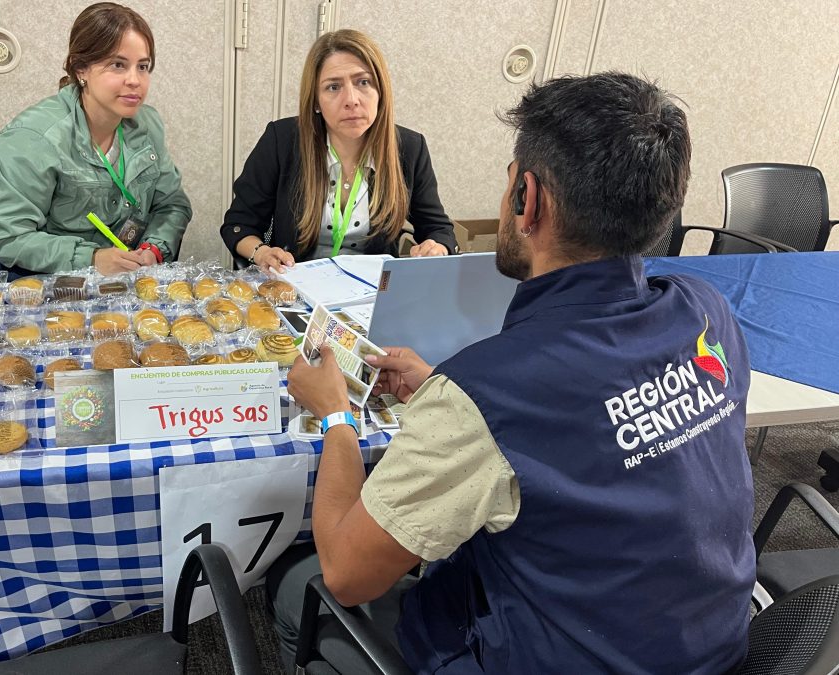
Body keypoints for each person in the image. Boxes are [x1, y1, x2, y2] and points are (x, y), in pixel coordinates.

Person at [274, 72, 755, 674]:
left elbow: (347, 574)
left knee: (299, 590)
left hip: (541, 654)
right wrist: (446, 395)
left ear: (528, 199)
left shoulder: (492, 393)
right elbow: (594, 430)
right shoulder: (706, 311)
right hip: (713, 651)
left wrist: (336, 416)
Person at [0, 2, 191, 277]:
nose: (135, 80)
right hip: (22, 265)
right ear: (81, 68)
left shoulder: (148, 124)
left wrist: (154, 248)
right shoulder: (35, 137)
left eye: (143, 67)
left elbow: (172, 204)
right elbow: (10, 238)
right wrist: (92, 258)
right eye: (118, 65)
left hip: (111, 264)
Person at [220, 30, 458, 272]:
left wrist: (436, 247)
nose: (351, 99)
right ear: (315, 100)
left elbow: (438, 229)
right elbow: (239, 224)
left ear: (381, 92)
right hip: (294, 290)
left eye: (363, 82)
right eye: (333, 87)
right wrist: (262, 253)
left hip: (370, 295)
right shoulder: (281, 141)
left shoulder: (409, 147)